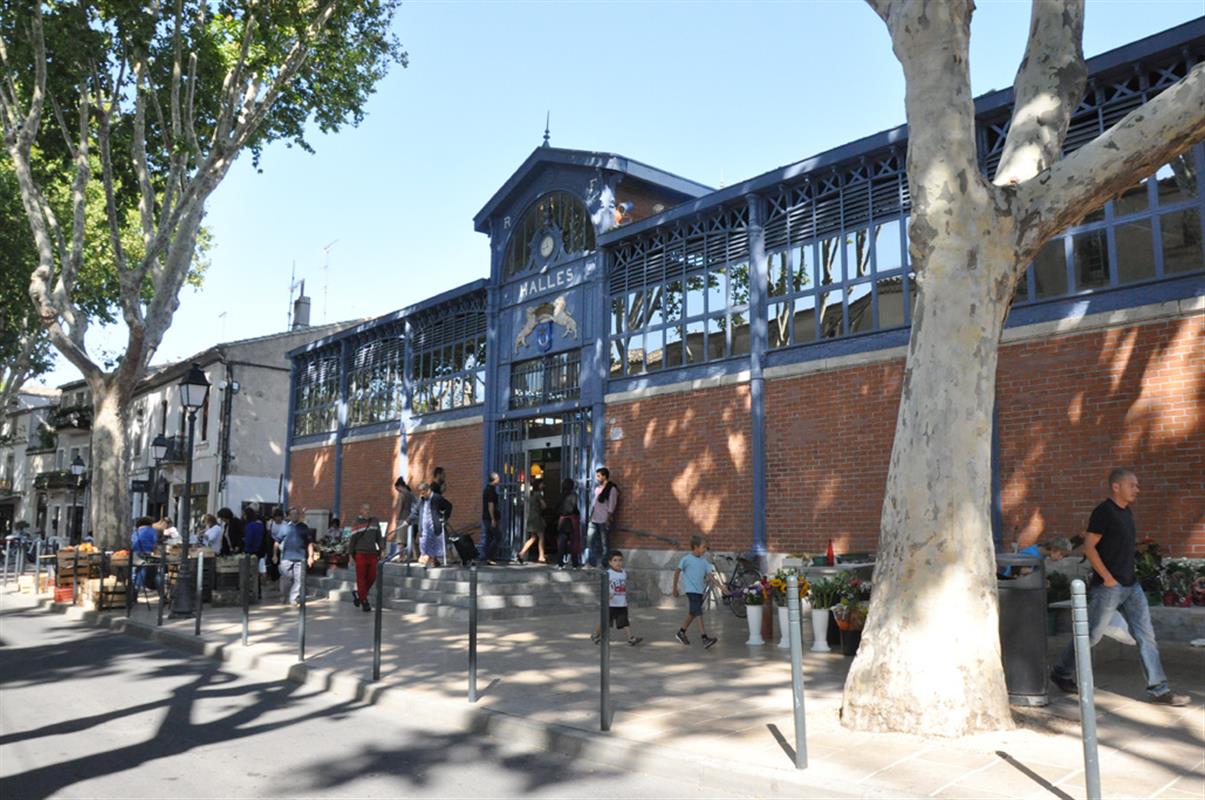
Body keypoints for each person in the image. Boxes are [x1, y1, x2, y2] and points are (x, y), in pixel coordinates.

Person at [1050, 469, 1188, 706]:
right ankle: (1061, 671)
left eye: (1137, 485)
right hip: (1109, 588)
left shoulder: (1126, 512)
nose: (1137, 489)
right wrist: (1108, 578)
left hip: (1131, 586)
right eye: (1132, 485)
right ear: (1116, 487)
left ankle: (1159, 689)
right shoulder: (1103, 512)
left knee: (1146, 636)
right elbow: (1089, 547)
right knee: (1091, 636)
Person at [672, 534, 720, 649]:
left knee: (693, 613)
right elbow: (677, 571)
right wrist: (674, 587)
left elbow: (711, 576)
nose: (705, 550)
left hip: (699, 591)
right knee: (698, 613)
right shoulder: (686, 559)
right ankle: (704, 638)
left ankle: (681, 632)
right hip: (691, 591)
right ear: (695, 547)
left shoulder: (704, 562)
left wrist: (722, 588)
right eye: (703, 547)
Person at [591, 550, 642, 646]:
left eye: (620, 560)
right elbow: (604, 586)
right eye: (615, 560)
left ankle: (631, 638)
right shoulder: (608, 573)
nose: (618, 563)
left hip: (621, 603)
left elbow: (623, 586)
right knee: (605, 622)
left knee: (625, 622)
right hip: (610, 604)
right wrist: (607, 594)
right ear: (610, 562)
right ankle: (595, 635)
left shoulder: (623, 573)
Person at [273, 507, 316, 606]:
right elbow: (276, 542)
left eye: (296, 514)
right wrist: (275, 555)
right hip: (286, 557)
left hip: (300, 558)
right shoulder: (285, 528)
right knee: (285, 579)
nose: (294, 516)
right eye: (292, 514)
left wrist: (310, 556)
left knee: (299, 580)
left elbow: (309, 543)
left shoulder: (304, 527)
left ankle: (293, 598)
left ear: (299, 515)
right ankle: (284, 595)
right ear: (289, 516)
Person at [348, 503, 383, 612]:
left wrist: (382, 550)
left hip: (372, 553)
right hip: (360, 553)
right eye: (365, 509)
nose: (367, 511)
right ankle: (364, 601)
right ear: (361, 510)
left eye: (368, 509)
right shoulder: (356, 523)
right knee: (361, 578)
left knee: (372, 576)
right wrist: (350, 556)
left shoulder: (374, 521)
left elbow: (379, 537)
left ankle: (359, 594)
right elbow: (352, 541)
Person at [409, 482, 452, 568]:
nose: (421, 495)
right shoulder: (421, 500)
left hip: (433, 526)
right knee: (424, 546)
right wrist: (407, 520)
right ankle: (432, 561)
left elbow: (448, 506)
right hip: (424, 527)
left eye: (423, 492)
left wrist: (444, 517)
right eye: (420, 492)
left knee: (432, 545)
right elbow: (415, 511)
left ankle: (432, 561)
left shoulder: (437, 498)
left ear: (428, 490)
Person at [585, 467, 618, 568]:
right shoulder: (597, 489)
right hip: (594, 518)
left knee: (604, 543)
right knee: (590, 540)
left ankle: (604, 564)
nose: (597, 478)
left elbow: (612, 505)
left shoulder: (611, 489)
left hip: (604, 519)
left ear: (605, 476)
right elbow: (594, 504)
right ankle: (590, 562)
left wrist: (608, 518)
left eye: (599, 476)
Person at [516, 478, 546, 564]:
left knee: (533, 537)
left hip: (531, 517)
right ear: (538, 485)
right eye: (542, 484)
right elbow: (544, 505)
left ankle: (521, 553)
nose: (543, 486)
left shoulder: (532, 494)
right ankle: (541, 557)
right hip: (537, 518)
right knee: (541, 537)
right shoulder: (538, 494)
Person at [389, 477, 416, 562]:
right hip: (410, 518)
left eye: (397, 489)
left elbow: (400, 507)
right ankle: (414, 556)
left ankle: (401, 557)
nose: (397, 491)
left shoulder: (402, 494)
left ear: (400, 486)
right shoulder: (411, 494)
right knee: (410, 538)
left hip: (402, 518)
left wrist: (396, 518)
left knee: (401, 540)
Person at [556, 478, 581, 569]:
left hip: (562, 521)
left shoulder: (560, 495)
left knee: (561, 543)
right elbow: (574, 507)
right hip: (571, 520)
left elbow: (557, 507)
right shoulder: (574, 495)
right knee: (573, 542)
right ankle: (575, 564)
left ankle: (560, 563)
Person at [130, 516, 157, 590]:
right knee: (145, 568)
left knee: (137, 568)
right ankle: (141, 585)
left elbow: (132, 541)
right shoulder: (152, 530)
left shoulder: (136, 531)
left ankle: (136, 584)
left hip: (135, 552)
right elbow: (155, 543)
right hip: (147, 551)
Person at [481, 472, 502, 565]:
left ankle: (487, 557)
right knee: (498, 536)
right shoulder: (490, 491)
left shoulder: (488, 489)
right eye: (498, 478)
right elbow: (491, 505)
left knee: (489, 537)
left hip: (486, 517)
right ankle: (489, 556)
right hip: (489, 518)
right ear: (494, 479)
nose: (499, 480)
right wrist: (493, 519)